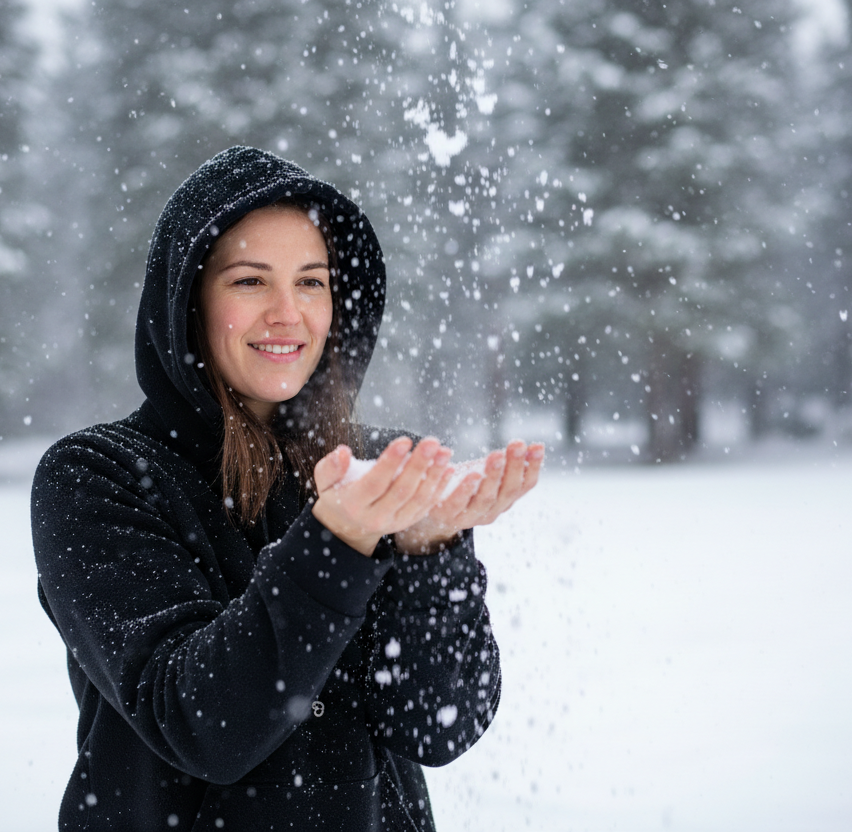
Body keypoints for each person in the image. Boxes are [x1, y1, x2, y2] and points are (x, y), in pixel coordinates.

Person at [31, 146, 543, 832]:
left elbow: (436, 727)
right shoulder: (99, 475)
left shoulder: (379, 467)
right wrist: (338, 545)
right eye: (249, 282)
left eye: (311, 282)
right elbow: (202, 726)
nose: (288, 313)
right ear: (189, 302)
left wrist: (432, 550)